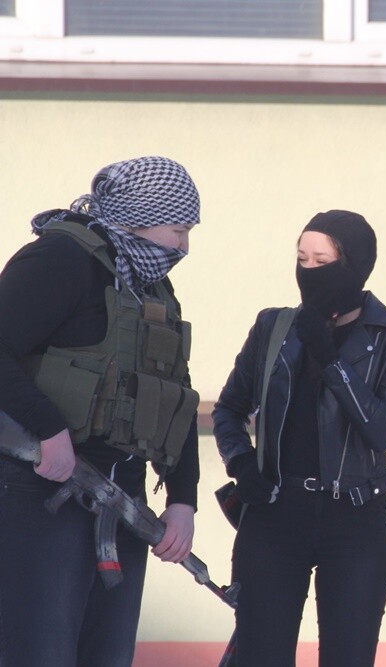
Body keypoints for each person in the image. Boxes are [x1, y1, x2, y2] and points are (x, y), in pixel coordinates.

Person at [0, 156, 202, 666]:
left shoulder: (149, 285)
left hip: (121, 500)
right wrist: (48, 429)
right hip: (41, 492)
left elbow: (175, 391)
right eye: (178, 230)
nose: (183, 247)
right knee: (39, 651)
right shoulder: (60, 261)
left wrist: (183, 498)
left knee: (107, 655)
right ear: (139, 217)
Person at [213, 210, 386, 667]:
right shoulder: (274, 327)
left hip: (356, 518)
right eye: (301, 258)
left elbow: (384, 429)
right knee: (260, 654)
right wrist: (241, 463)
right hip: (274, 513)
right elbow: (228, 410)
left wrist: (331, 360)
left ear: (355, 265)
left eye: (322, 261)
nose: (308, 271)